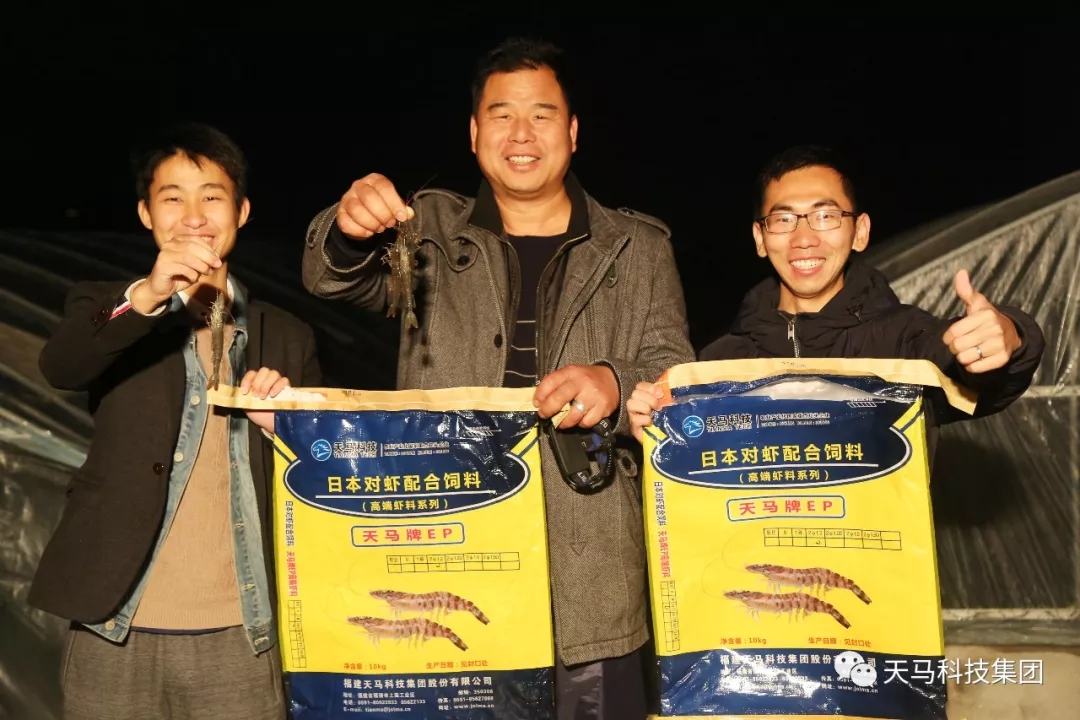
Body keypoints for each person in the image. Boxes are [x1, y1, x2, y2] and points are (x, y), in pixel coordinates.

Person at [300, 37, 694, 719]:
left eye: (542, 115)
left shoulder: (638, 248)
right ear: (474, 131)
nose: (521, 133)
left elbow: (673, 370)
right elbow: (329, 278)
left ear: (573, 131)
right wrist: (346, 227)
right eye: (501, 114)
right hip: (449, 551)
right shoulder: (425, 228)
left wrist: (613, 379)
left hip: (591, 574)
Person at [29, 122, 321, 719]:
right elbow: (62, 365)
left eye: (212, 196)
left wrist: (287, 426)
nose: (193, 216)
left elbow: (324, 474)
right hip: (114, 624)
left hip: (243, 631)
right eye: (172, 198)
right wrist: (147, 296)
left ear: (241, 211)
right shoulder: (110, 307)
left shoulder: (287, 335)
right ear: (146, 214)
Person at [627, 144, 1045, 468]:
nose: (803, 238)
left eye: (825, 216)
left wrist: (1011, 337)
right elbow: (699, 468)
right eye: (783, 219)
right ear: (760, 238)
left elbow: (984, 380)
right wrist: (660, 432)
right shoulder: (718, 361)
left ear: (859, 231)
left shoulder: (906, 340)